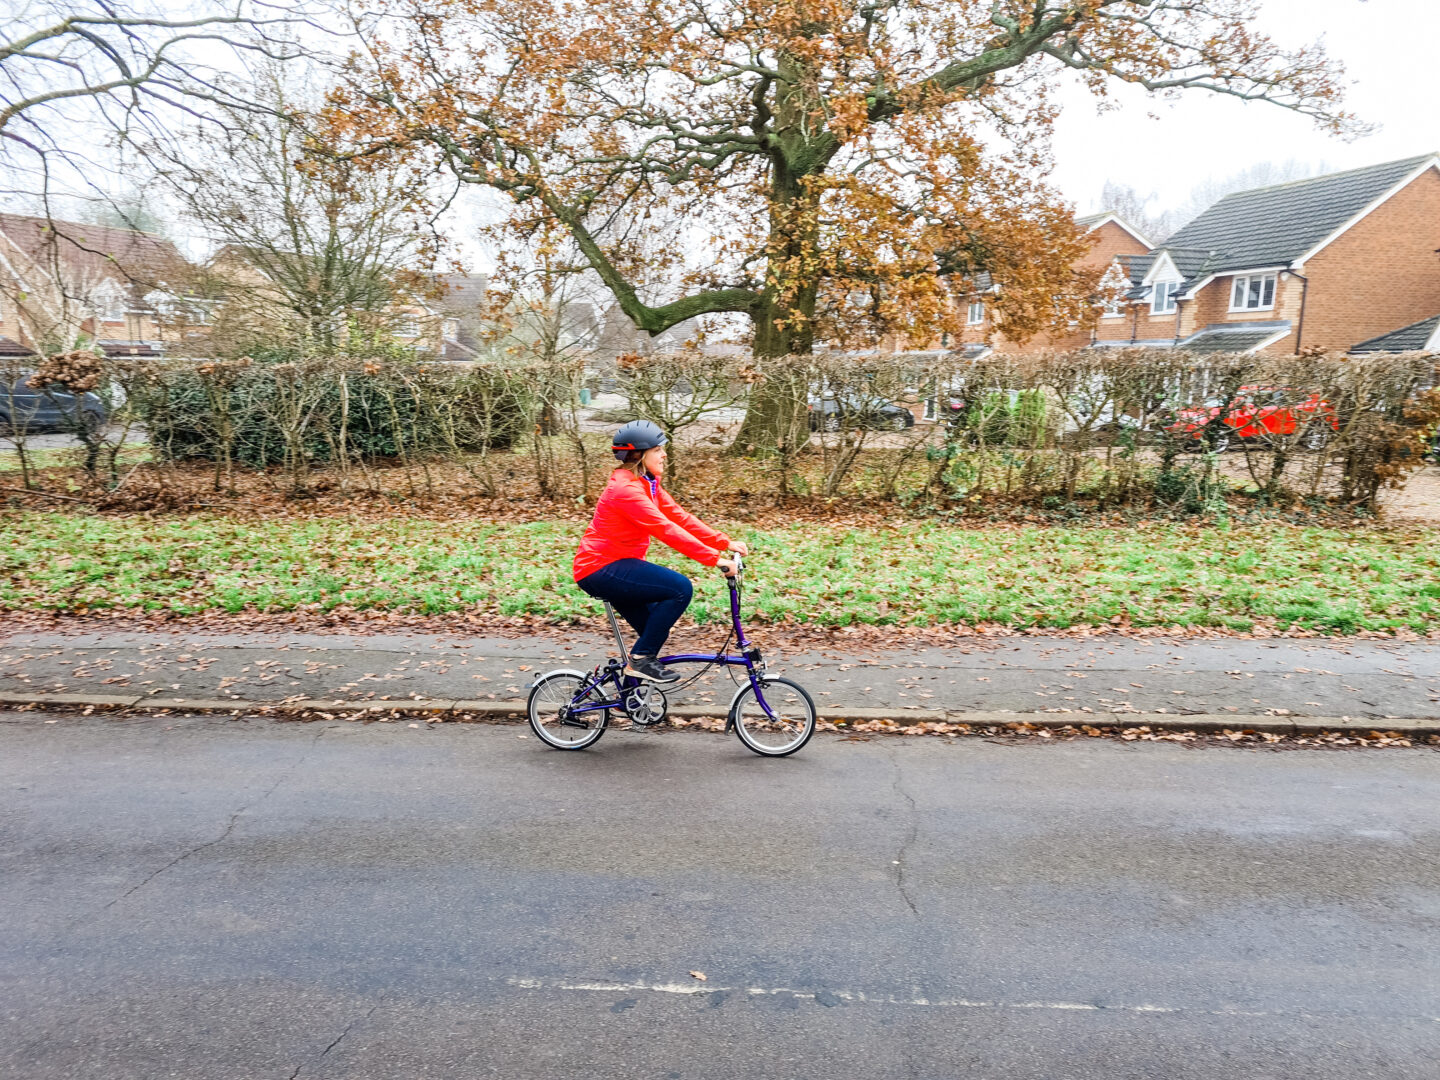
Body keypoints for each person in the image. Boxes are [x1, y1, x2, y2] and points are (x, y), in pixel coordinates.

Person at [573, 420, 748, 683]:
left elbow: (678, 517)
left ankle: (630, 694)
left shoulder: (645, 483)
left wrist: (723, 542)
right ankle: (640, 661)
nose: (664, 454)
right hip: (600, 568)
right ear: (638, 455)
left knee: (654, 628)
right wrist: (715, 559)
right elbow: (664, 529)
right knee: (679, 588)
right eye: (657, 450)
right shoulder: (626, 491)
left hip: (618, 565)